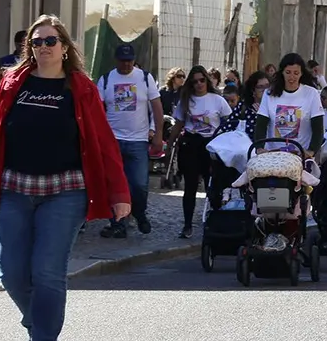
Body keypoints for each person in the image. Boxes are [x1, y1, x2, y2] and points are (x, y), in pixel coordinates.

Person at [0, 15, 130, 341]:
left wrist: (119, 192)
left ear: (65, 47)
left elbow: (103, 143)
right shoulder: (12, 83)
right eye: (37, 42)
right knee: (11, 272)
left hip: (65, 190)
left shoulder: (81, 87)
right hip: (14, 188)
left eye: (50, 41)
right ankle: (35, 325)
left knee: (47, 272)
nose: (43, 47)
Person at [97, 43, 164, 239]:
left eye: (130, 60)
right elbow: (98, 109)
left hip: (138, 140)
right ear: (116, 60)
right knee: (115, 184)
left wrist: (158, 134)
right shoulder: (107, 79)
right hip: (113, 139)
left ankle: (139, 212)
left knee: (139, 184)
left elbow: (157, 107)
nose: (126, 64)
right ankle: (118, 223)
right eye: (123, 60)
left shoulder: (144, 78)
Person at [168, 66, 231, 238]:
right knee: (190, 187)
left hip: (211, 144)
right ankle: (187, 224)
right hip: (191, 144)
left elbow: (228, 124)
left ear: (207, 80)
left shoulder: (217, 100)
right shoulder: (186, 100)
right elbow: (179, 124)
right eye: (195, 81)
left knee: (213, 185)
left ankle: (215, 221)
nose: (199, 84)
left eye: (202, 80)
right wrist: (169, 144)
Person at [255, 53, 324, 158]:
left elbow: (318, 128)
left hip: (301, 155)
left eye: (296, 73)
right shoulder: (269, 93)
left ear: (301, 74)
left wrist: (311, 151)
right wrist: (259, 148)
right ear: (282, 72)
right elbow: (261, 124)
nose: (292, 77)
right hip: (273, 154)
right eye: (288, 72)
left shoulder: (312, 94)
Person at [216, 71, 270, 139]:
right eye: (260, 87)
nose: (265, 90)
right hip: (243, 147)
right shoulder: (243, 106)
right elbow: (227, 127)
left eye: (267, 86)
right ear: (253, 90)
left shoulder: (274, 106)